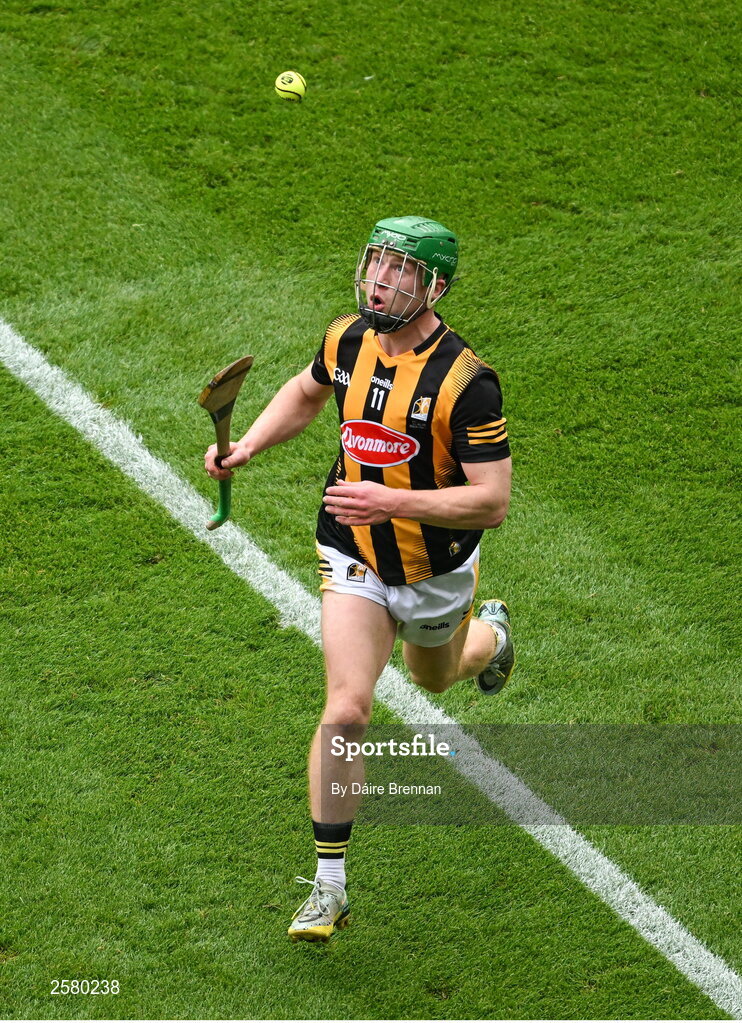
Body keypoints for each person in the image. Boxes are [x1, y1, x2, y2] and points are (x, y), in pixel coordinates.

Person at [204, 216, 514, 942]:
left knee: (437, 676)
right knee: (346, 709)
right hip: (351, 551)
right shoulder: (347, 338)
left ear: (435, 286)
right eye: (376, 264)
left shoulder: (469, 382)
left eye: (400, 271)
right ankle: (329, 885)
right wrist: (246, 443)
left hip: (436, 569)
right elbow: (308, 392)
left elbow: (492, 501)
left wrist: (393, 499)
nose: (382, 281)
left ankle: (492, 635)